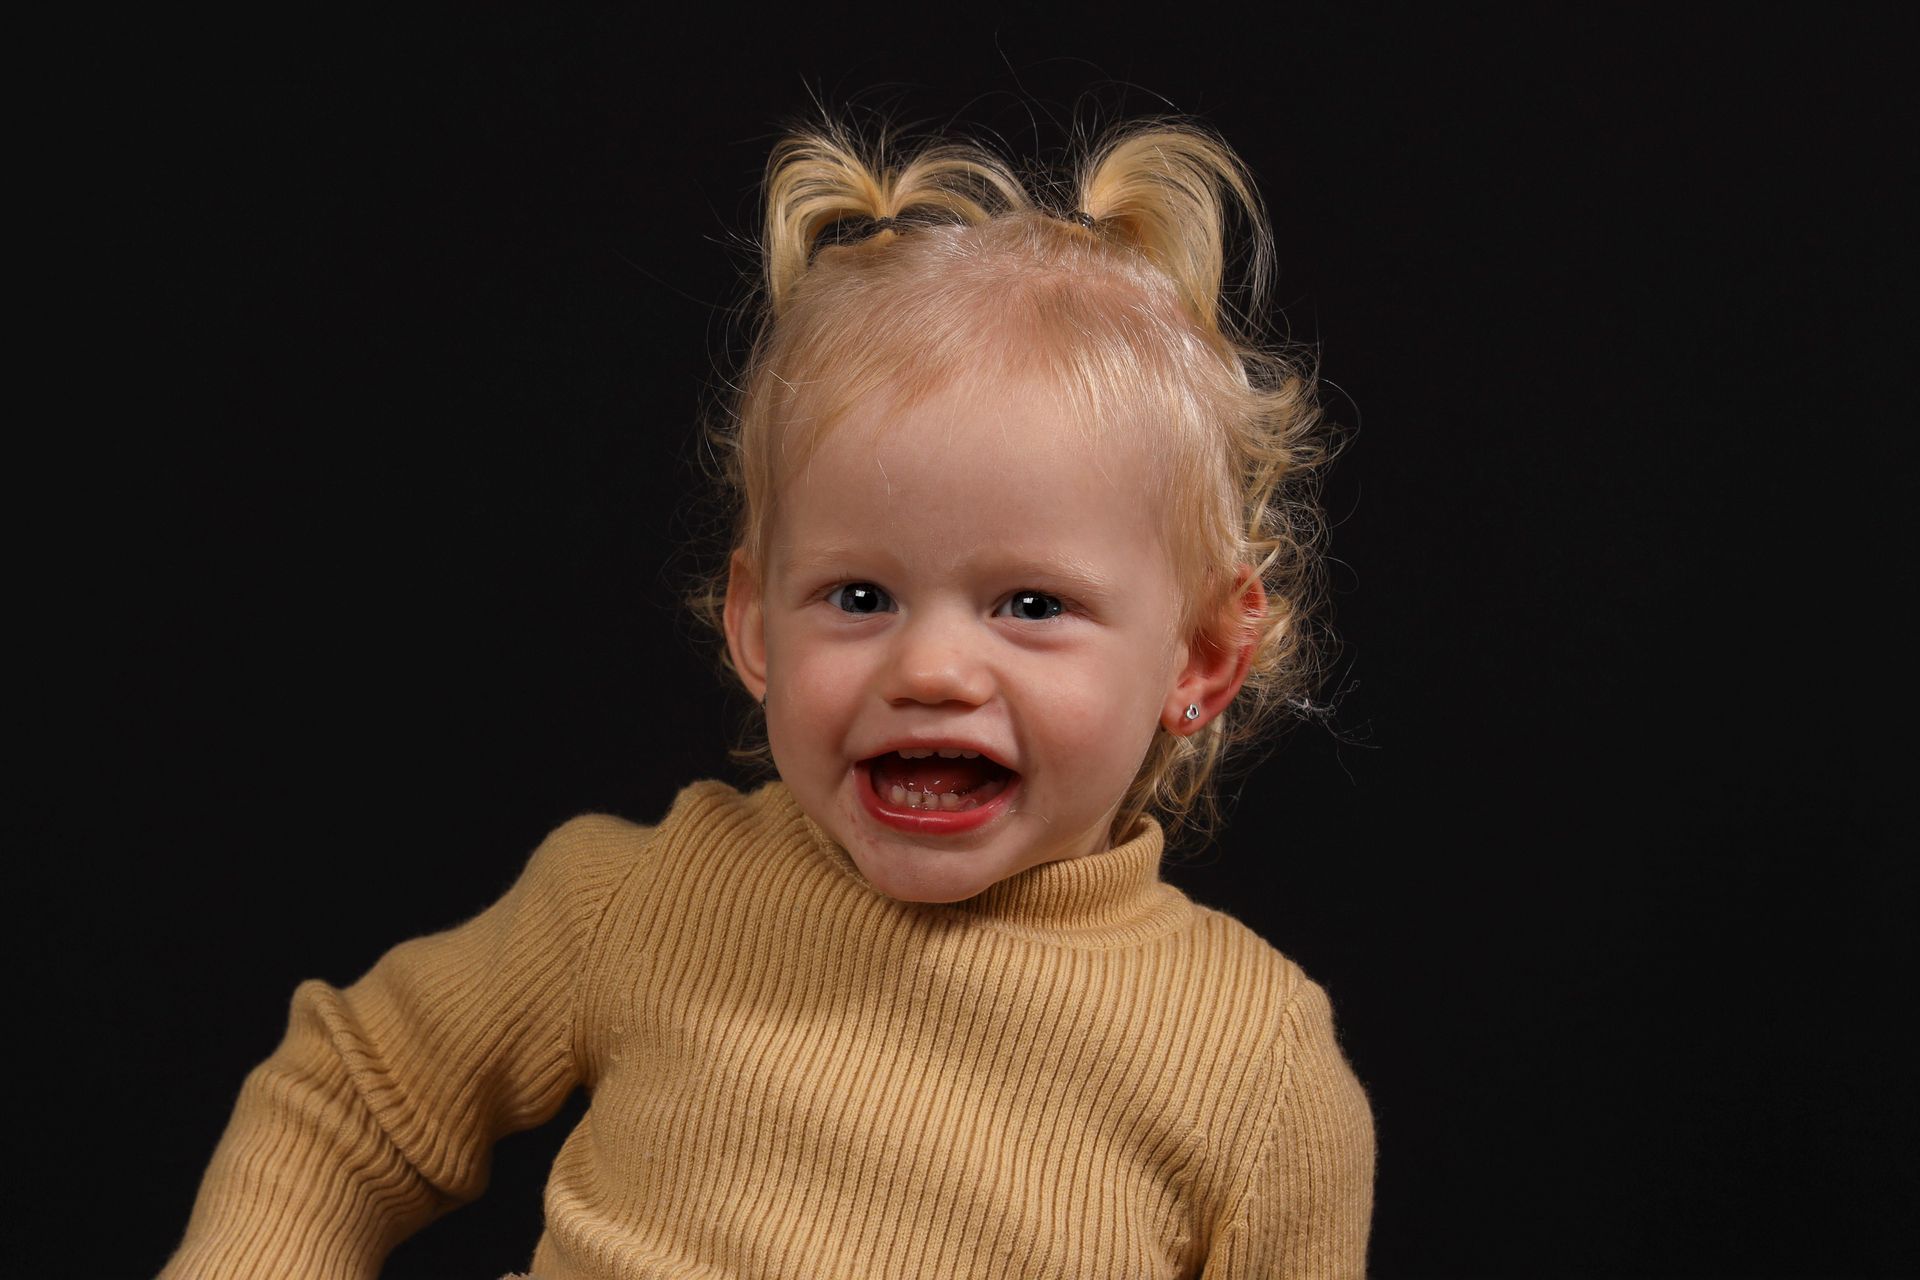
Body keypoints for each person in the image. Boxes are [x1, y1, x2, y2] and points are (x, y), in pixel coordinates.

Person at [161, 116, 1376, 1279]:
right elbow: (348, 1095)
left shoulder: (1251, 1065)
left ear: (1202, 656)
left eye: (1031, 605)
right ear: (754, 623)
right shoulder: (639, 893)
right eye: (858, 596)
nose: (932, 669)